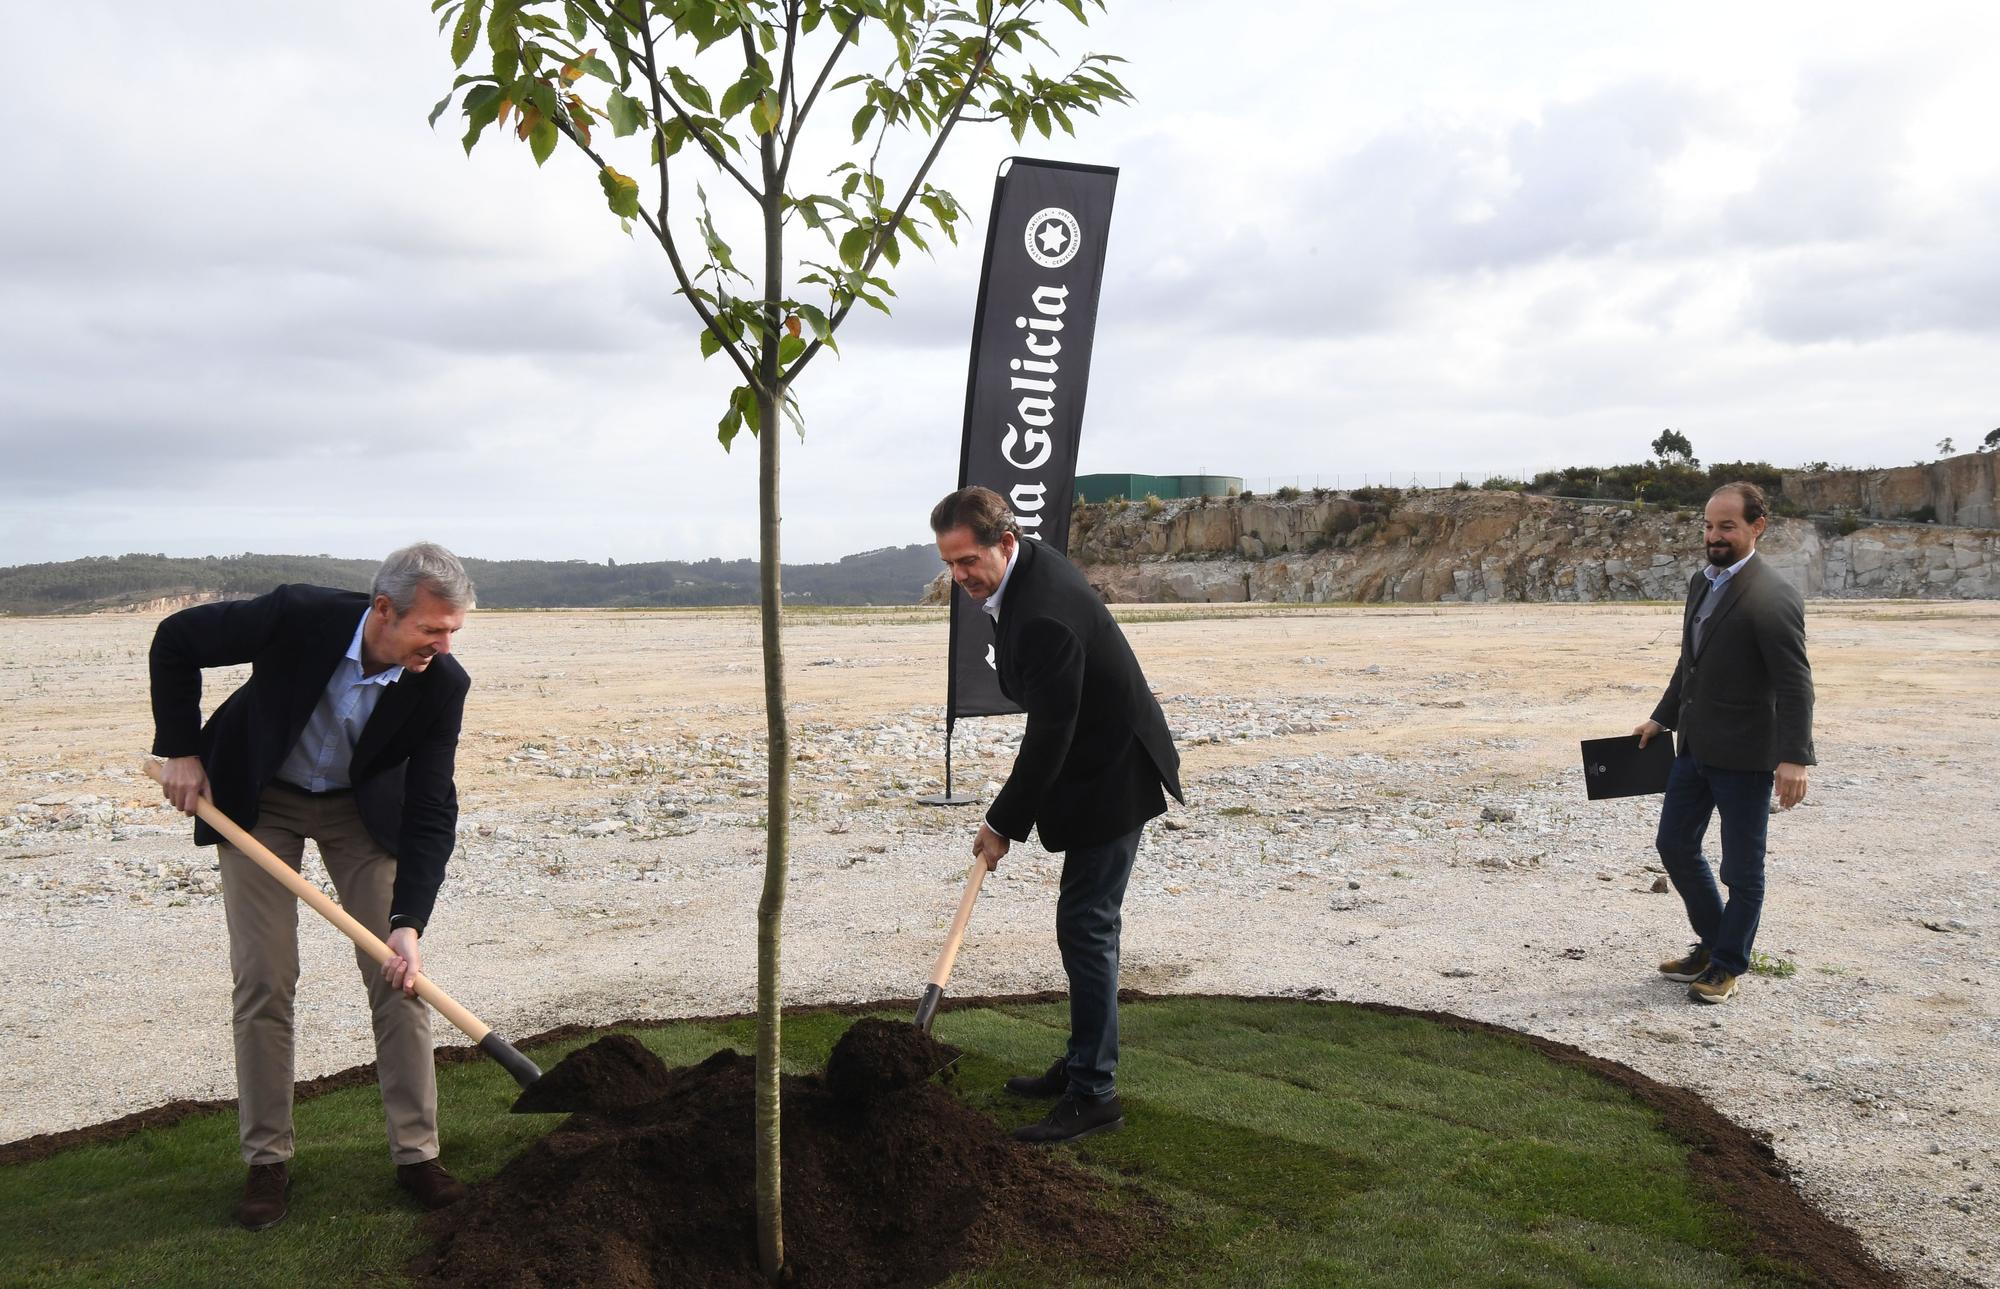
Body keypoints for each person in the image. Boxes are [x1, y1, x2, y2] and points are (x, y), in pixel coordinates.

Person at [148, 542, 475, 1228]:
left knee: (400, 972)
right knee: (265, 975)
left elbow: (430, 807)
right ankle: (267, 1161)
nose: (443, 646)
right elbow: (176, 639)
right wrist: (179, 747)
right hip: (260, 799)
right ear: (383, 609)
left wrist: (408, 921)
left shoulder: (442, 683)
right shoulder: (300, 614)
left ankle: (417, 1155)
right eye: (431, 629)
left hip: (361, 810)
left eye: (453, 631)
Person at [930, 486, 1184, 1143]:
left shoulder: (1042, 610)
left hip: (1115, 769)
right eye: (949, 563)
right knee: (1086, 922)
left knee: (1086, 922)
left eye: (967, 560)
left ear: (1004, 543)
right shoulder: (1024, 570)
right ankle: (1081, 1061)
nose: (958, 576)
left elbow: (1051, 733)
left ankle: (1094, 1091)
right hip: (1093, 758)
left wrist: (1001, 823)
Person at [1636, 483, 1814, 1004]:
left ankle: (1728, 964)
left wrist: (1794, 756)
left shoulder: (1773, 593)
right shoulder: (1702, 582)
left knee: (1741, 869)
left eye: (1727, 526)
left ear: (1757, 527)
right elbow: (1689, 663)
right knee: (1674, 845)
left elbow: (1795, 681)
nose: (1714, 536)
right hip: (1694, 749)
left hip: (1747, 756)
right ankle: (1715, 943)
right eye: (1709, 526)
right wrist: (1661, 718)